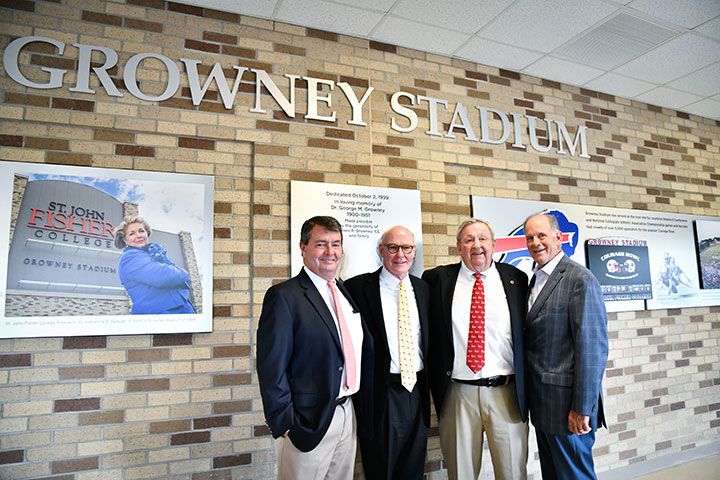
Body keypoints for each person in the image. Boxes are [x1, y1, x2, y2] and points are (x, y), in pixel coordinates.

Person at [256, 216, 373, 480]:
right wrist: (285, 423)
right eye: (321, 244)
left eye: (336, 244)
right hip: (307, 421)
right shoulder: (284, 297)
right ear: (303, 247)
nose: (330, 252)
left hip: (347, 413)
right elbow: (271, 366)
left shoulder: (343, 291)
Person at [422, 218, 528, 480]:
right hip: (458, 393)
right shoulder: (436, 280)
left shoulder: (517, 279)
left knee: (513, 472)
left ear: (494, 244)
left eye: (482, 239)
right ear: (459, 247)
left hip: (507, 393)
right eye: (469, 240)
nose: (476, 245)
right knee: (461, 473)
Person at [523, 213, 609, 479]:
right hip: (544, 405)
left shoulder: (579, 280)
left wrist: (583, 407)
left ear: (558, 238)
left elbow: (592, 350)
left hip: (568, 409)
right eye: (529, 238)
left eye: (541, 235)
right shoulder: (535, 279)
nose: (535, 242)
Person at [345, 226, 430, 480]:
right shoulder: (357, 288)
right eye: (392, 247)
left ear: (414, 252)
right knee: (380, 470)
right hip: (381, 395)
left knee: (413, 470)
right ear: (381, 251)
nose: (400, 254)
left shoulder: (424, 289)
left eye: (407, 248)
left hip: (417, 392)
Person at [113, 215, 195, 314]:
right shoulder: (130, 258)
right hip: (161, 317)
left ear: (147, 233)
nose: (138, 235)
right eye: (132, 234)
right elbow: (164, 276)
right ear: (125, 240)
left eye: (141, 231)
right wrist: (184, 273)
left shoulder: (153, 253)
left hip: (181, 311)